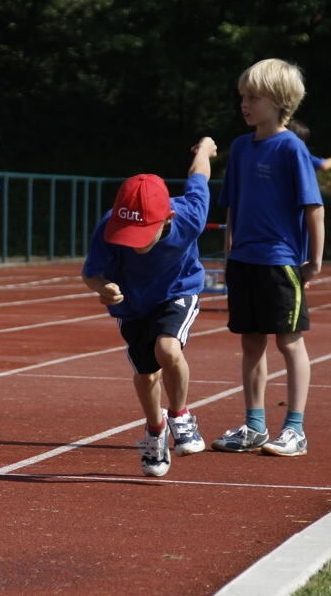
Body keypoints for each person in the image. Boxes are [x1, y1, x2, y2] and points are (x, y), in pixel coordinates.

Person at [81, 138, 216, 476]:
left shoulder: (190, 216)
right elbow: (91, 274)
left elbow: (198, 176)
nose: (134, 243)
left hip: (178, 290)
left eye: (142, 234)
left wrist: (204, 149)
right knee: (145, 375)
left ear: (167, 218)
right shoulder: (109, 225)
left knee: (168, 349)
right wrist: (104, 289)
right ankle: (155, 430)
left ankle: (181, 415)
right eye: (128, 233)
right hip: (133, 302)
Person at [212, 58, 323, 457]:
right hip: (244, 260)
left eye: (253, 97)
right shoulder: (240, 148)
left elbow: (313, 207)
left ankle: (295, 428)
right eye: (242, 96)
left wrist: (314, 259)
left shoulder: (293, 148)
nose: (245, 104)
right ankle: (254, 424)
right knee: (251, 343)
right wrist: (229, 255)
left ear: (279, 101)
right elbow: (231, 208)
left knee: (289, 341)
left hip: (280, 261)